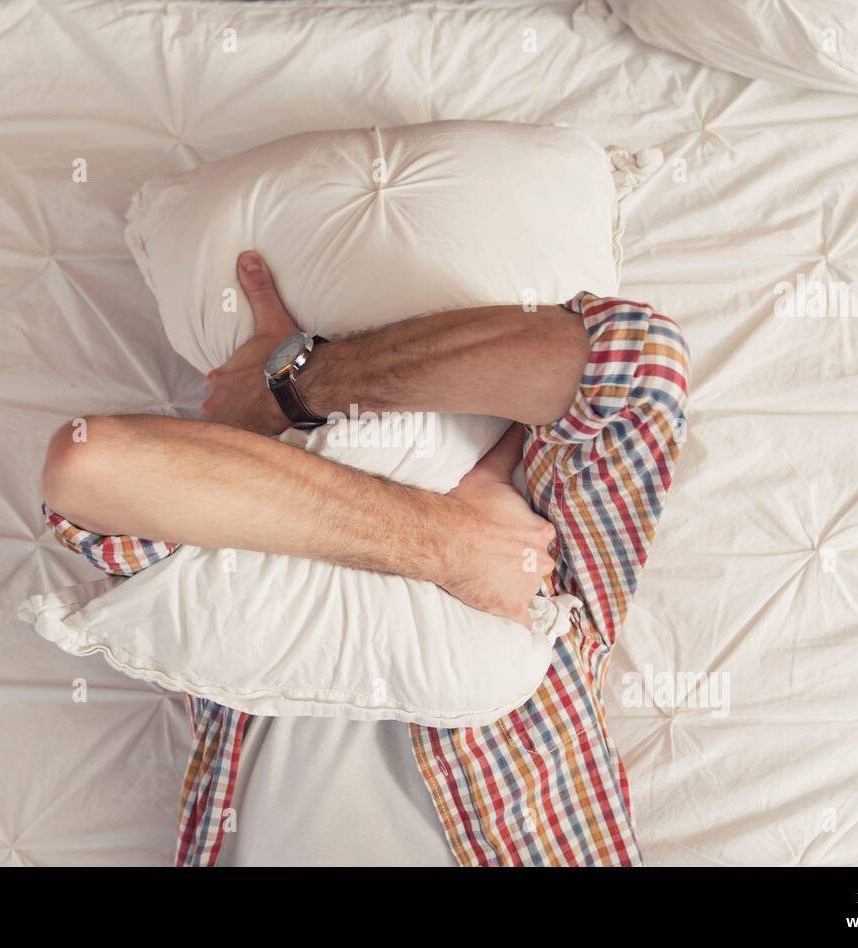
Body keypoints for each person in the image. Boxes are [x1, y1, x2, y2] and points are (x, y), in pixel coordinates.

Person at [40, 250, 690, 866]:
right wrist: (443, 537)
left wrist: (284, 397)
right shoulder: (546, 593)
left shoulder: (220, 620)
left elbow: (94, 469)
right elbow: (636, 363)